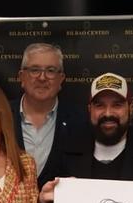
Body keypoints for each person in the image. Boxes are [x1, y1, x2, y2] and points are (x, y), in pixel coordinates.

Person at [58, 72, 133, 181]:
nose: (108, 113)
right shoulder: (65, 151)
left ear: (130, 108)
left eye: (117, 105)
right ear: (90, 110)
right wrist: (44, 201)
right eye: (100, 105)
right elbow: (50, 199)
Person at [9, 42, 87, 185]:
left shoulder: (80, 121)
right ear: (21, 77)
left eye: (50, 70)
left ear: (61, 78)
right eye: (34, 70)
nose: (42, 77)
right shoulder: (1, 116)